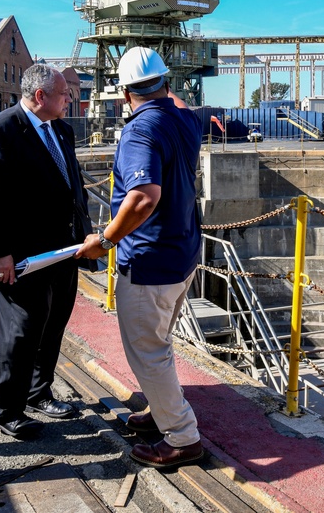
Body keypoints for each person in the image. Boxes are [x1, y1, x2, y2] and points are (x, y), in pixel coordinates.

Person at [76, 46, 204, 469]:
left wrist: (106, 240)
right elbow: (177, 100)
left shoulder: (140, 131)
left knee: (147, 351)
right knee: (160, 341)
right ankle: (162, 410)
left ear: (125, 92)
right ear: (167, 84)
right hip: (182, 254)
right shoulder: (183, 118)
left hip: (150, 261)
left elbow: (144, 197)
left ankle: (183, 438)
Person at [0, 64, 92, 440]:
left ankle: (39, 392)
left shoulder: (62, 130)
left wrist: (85, 237)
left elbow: (73, 188)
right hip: (19, 257)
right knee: (18, 332)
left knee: (52, 324)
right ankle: (5, 409)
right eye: (64, 93)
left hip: (64, 251)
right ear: (41, 96)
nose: (70, 99)